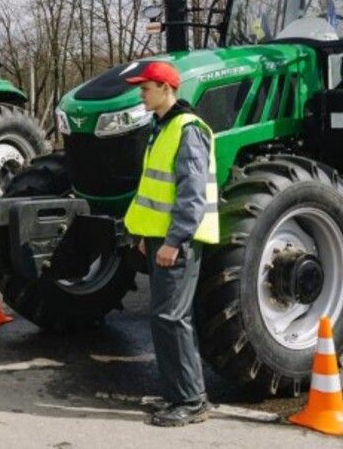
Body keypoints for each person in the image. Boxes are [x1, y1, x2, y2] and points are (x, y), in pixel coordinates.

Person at [122, 61, 219, 427]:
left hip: (178, 241)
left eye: (145, 88)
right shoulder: (161, 128)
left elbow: (191, 194)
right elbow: (154, 192)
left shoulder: (187, 129)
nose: (140, 94)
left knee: (172, 318)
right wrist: (149, 236)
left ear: (166, 88)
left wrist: (174, 240)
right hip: (161, 239)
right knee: (165, 318)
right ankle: (176, 393)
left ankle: (192, 401)